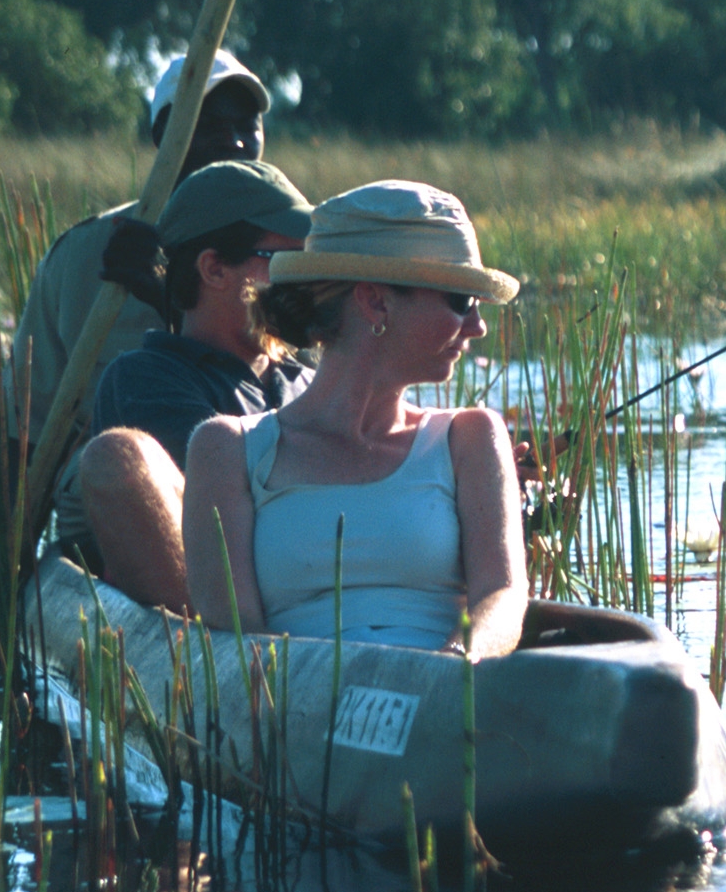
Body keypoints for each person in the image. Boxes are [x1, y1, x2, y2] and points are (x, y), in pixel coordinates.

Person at [182, 181, 528, 660]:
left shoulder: (471, 438)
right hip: (297, 707)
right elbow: (238, 646)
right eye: (459, 300)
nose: (477, 325)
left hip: (443, 699)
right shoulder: (225, 451)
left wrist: (449, 672)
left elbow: (503, 597)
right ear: (375, 301)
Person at [61, 160, 316, 612]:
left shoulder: (308, 381)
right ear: (214, 269)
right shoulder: (147, 378)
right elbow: (238, 505)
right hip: (219, 617)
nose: (304, 281)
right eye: (284, 261)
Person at [5, 49, 270, 461]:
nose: (233, 142)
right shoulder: (84, 256)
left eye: (245, 126)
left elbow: (303, 400)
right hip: (112, 495)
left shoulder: (288, 251)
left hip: (252, 485)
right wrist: (11, 527)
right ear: (163, 136)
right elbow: (25, 427)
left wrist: (172, 300)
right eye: (208, 126)